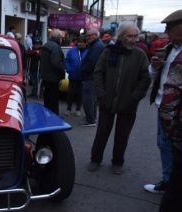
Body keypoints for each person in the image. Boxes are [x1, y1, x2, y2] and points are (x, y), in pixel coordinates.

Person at [88, 21, 151, 174]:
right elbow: (98, 73)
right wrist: (101, 95)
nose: (133, 39)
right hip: (107, 101)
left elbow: (145, 79)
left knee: (122, 135)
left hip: (128, 104)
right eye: (130, 36)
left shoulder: (139, 55)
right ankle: (95, 159)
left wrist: (134, 97)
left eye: (135, 36)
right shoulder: (109, 51)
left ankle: (118, 161)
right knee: (102, 133)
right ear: (121, 36)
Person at [147, 10, 182, 211]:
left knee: (175, 149)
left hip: (178, 112)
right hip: (163, 108)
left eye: (170, 27)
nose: (166, 31)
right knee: (164, 145)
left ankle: (172, 186)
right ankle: (168, 182)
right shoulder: (169, 48)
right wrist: (154, 66)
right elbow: (154, 75)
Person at [80, 28, 105, 126]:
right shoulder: (96, 45)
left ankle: (90, 119)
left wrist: (83, 69)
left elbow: (92, 62)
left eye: (89, 36)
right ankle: (92, 117)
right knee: (92, 99)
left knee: (88, 99)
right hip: (92, 76)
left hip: (90, 77)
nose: (87, 38)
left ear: (95, 35)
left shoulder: (97, 46)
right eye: (87, 36)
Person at [40, 29, 65, 115]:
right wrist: (62, 70)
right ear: (59, 38)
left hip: (46, 76)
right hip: (53, 77)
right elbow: (56, 62)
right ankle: (54, 117)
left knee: (47, 99)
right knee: (53, 99)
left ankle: (47, 115)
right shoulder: (55, 47)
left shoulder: (46, 45)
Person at [64, 36, 88, 117]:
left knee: (80, 94)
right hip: (73, 75)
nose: (80, 44)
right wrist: (69, 69)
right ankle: (69, 108)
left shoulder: (88, 51)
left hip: (82, 76)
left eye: (82, 42)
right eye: (79, 42)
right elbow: (67, 60)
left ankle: (78, 109)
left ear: (85, 43)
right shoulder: (72, 50)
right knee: (70, 93)